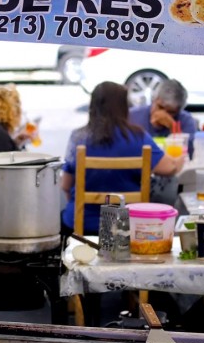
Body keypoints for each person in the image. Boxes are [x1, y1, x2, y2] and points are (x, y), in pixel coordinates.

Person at [60, 81, 186, 235]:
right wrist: (180, 158)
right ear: (124, 107)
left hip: (81, 225)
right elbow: (170, 168)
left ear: (92, 106)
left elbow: (65, 186)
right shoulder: (139, 137)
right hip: (126, 226)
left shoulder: (78, 137)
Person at [128, 79, 197, 157]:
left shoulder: (186, 120)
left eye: (170, 112)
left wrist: (173, 127)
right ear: (154, 99)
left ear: (178, 110)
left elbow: (190, 153)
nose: (163, 114)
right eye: (160, 107)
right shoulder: (133, 116)